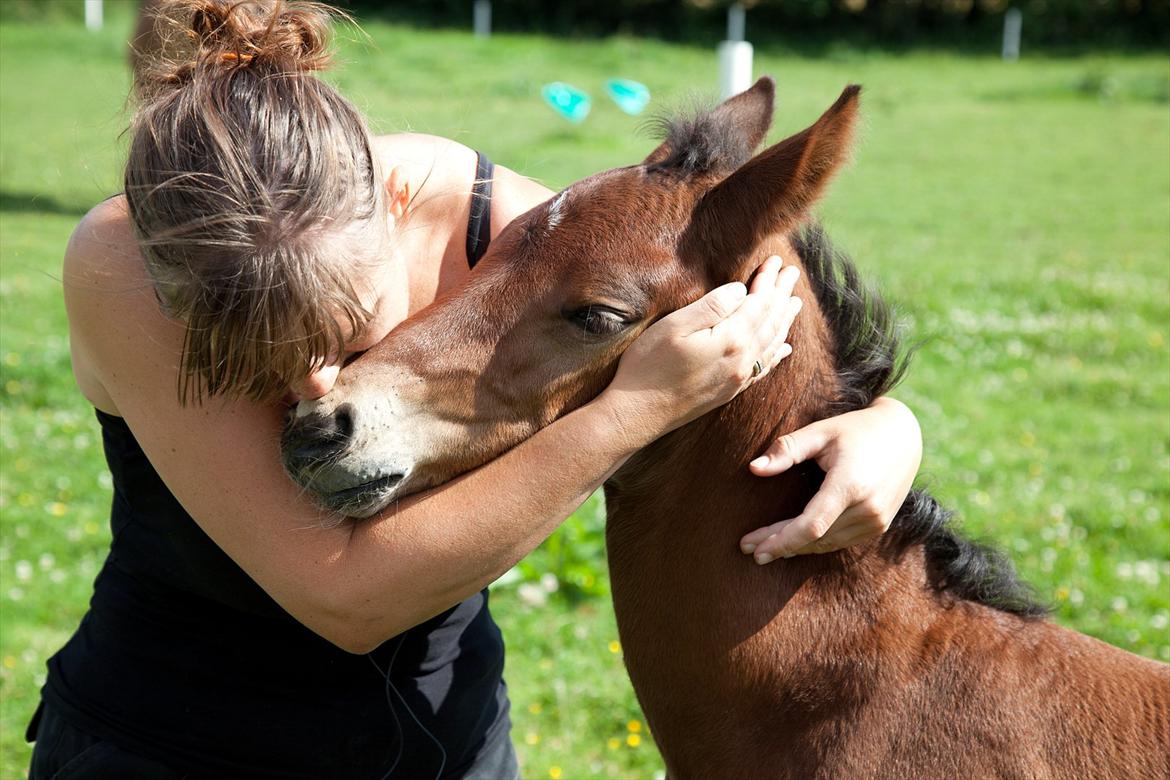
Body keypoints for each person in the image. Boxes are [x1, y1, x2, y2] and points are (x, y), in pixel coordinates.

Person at [28, 1, 923, 777]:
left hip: (453, 749)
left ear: (398, 196)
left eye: (339, 329)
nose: (314, 383)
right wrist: (632, 412)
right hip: (174, 753)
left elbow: (723, 301)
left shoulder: (515, 233)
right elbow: (345, 597)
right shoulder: (127, 265)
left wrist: (889, 426)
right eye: (252, 351)